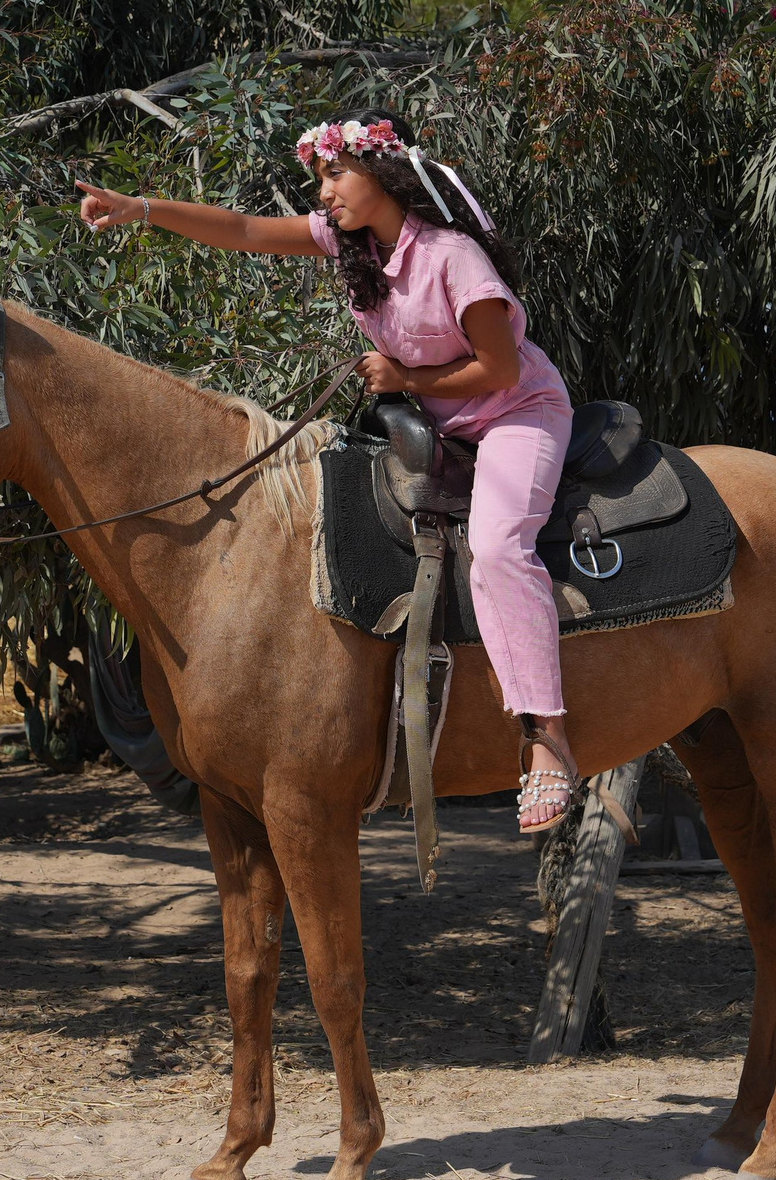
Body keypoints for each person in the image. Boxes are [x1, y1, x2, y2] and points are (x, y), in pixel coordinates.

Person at [76, 110, 581, 834]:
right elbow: (245, 231)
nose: (324, 192)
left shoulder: (453, 257)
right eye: (319, 177)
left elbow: (500, 368)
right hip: (435, 423)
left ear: (384, 174)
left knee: (501, 548)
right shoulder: (348, 244)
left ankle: (548, 740)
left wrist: (403, 372)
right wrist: (142, 210)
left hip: (514, 416)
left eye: (335, 173)